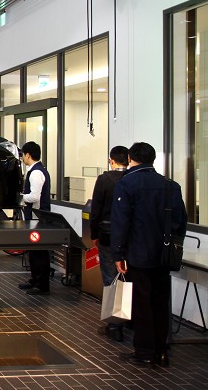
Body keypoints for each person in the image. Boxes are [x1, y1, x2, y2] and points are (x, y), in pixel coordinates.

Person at [110, 142, 187, 368]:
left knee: (141, 303)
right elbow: (180, 221)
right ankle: (161, 351)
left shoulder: (127, 183)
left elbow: (121, 222)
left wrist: (118, 253)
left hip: (138, 254)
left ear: (130, 158)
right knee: (160, 302)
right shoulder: (170, 186)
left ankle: (144, 352)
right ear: (153, 159)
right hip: (164, 255)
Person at [90, 145, 129, 342]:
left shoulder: (104, 179)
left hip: (108, 235)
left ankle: (115, 326)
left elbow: (96, 208)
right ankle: (130, 319)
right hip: (131, 237)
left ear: (111, 160)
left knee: (111, 278)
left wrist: (94, 233)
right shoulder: (132, 178)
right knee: (129, 279)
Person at [17, 141, 52, 295]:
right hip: (34, 218)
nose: (22, 158)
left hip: (38, 219)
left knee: (39, 252)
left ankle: (42, 284)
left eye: (23, 155)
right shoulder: (35, 170)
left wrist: (20, 197)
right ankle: (34, 279)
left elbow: (34, 197)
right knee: (33, 251)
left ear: (28, 155)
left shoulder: (36, 173)